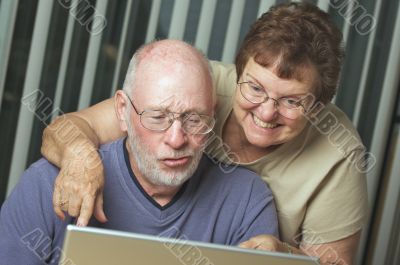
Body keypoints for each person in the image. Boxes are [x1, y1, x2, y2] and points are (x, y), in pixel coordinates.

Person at [41, 2, 368, 264]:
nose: (266, 112)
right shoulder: (197, 85)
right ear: (237, 72)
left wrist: (283, 255)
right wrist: (81, 155)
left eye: (292, 101)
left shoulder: (339, 154)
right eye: (254, 88)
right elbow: (69, 129)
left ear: (319, 107)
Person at [0, 40, 279, 265]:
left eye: (194, 119)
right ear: (122, 111)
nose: (176, 139)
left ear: (213, 113)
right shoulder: (49, 183)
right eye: (157, 117)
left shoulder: (246, 200)